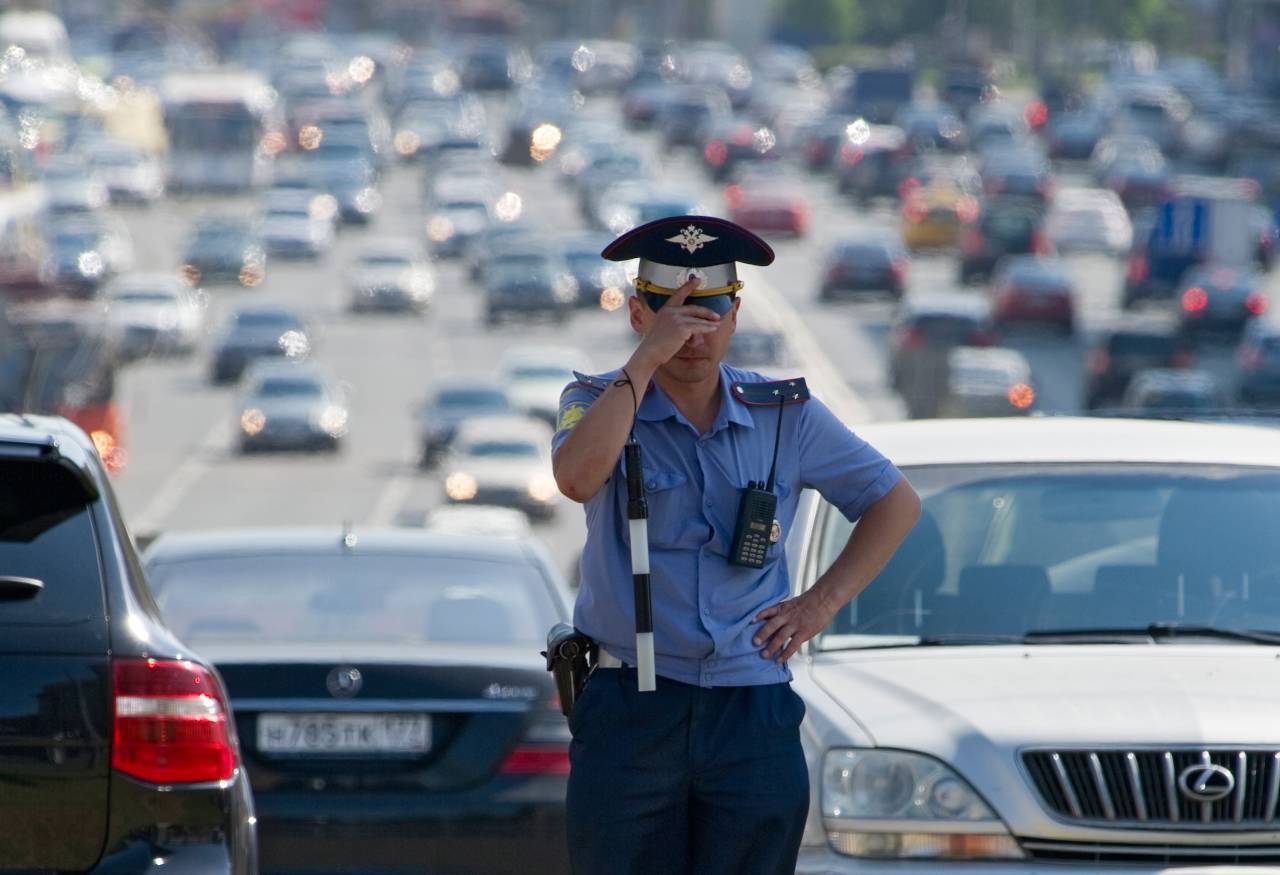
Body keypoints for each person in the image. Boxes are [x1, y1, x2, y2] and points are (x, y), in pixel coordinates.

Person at [551, 215, 920, 875]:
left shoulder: (785, 414)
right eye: (672, 314)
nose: (692, 333)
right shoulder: (594, 399)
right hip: (632, 704)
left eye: (709, 313)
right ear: (638, 313)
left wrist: (819, 603)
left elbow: (894, 502)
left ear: (735, 314)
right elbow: (577, 477)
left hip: (748, 706)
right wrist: (644, 363)